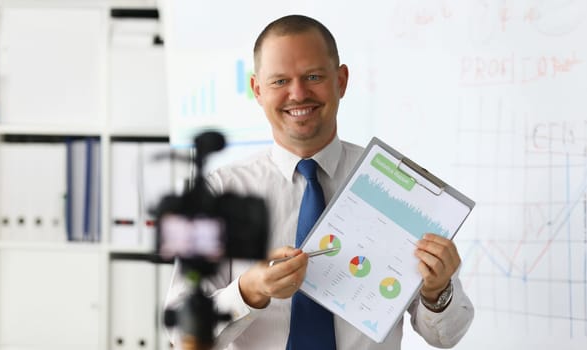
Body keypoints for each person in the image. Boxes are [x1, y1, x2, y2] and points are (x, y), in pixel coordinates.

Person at [165, 14, 474, 350]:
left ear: (340, 80)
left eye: (313, 76)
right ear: (257, 90)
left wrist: (437, 289)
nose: (298, 94)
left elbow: (445, 336)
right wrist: (249, 290)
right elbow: (182, 334)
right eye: (280, 81)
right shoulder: (217, 193)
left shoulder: (401, 189)